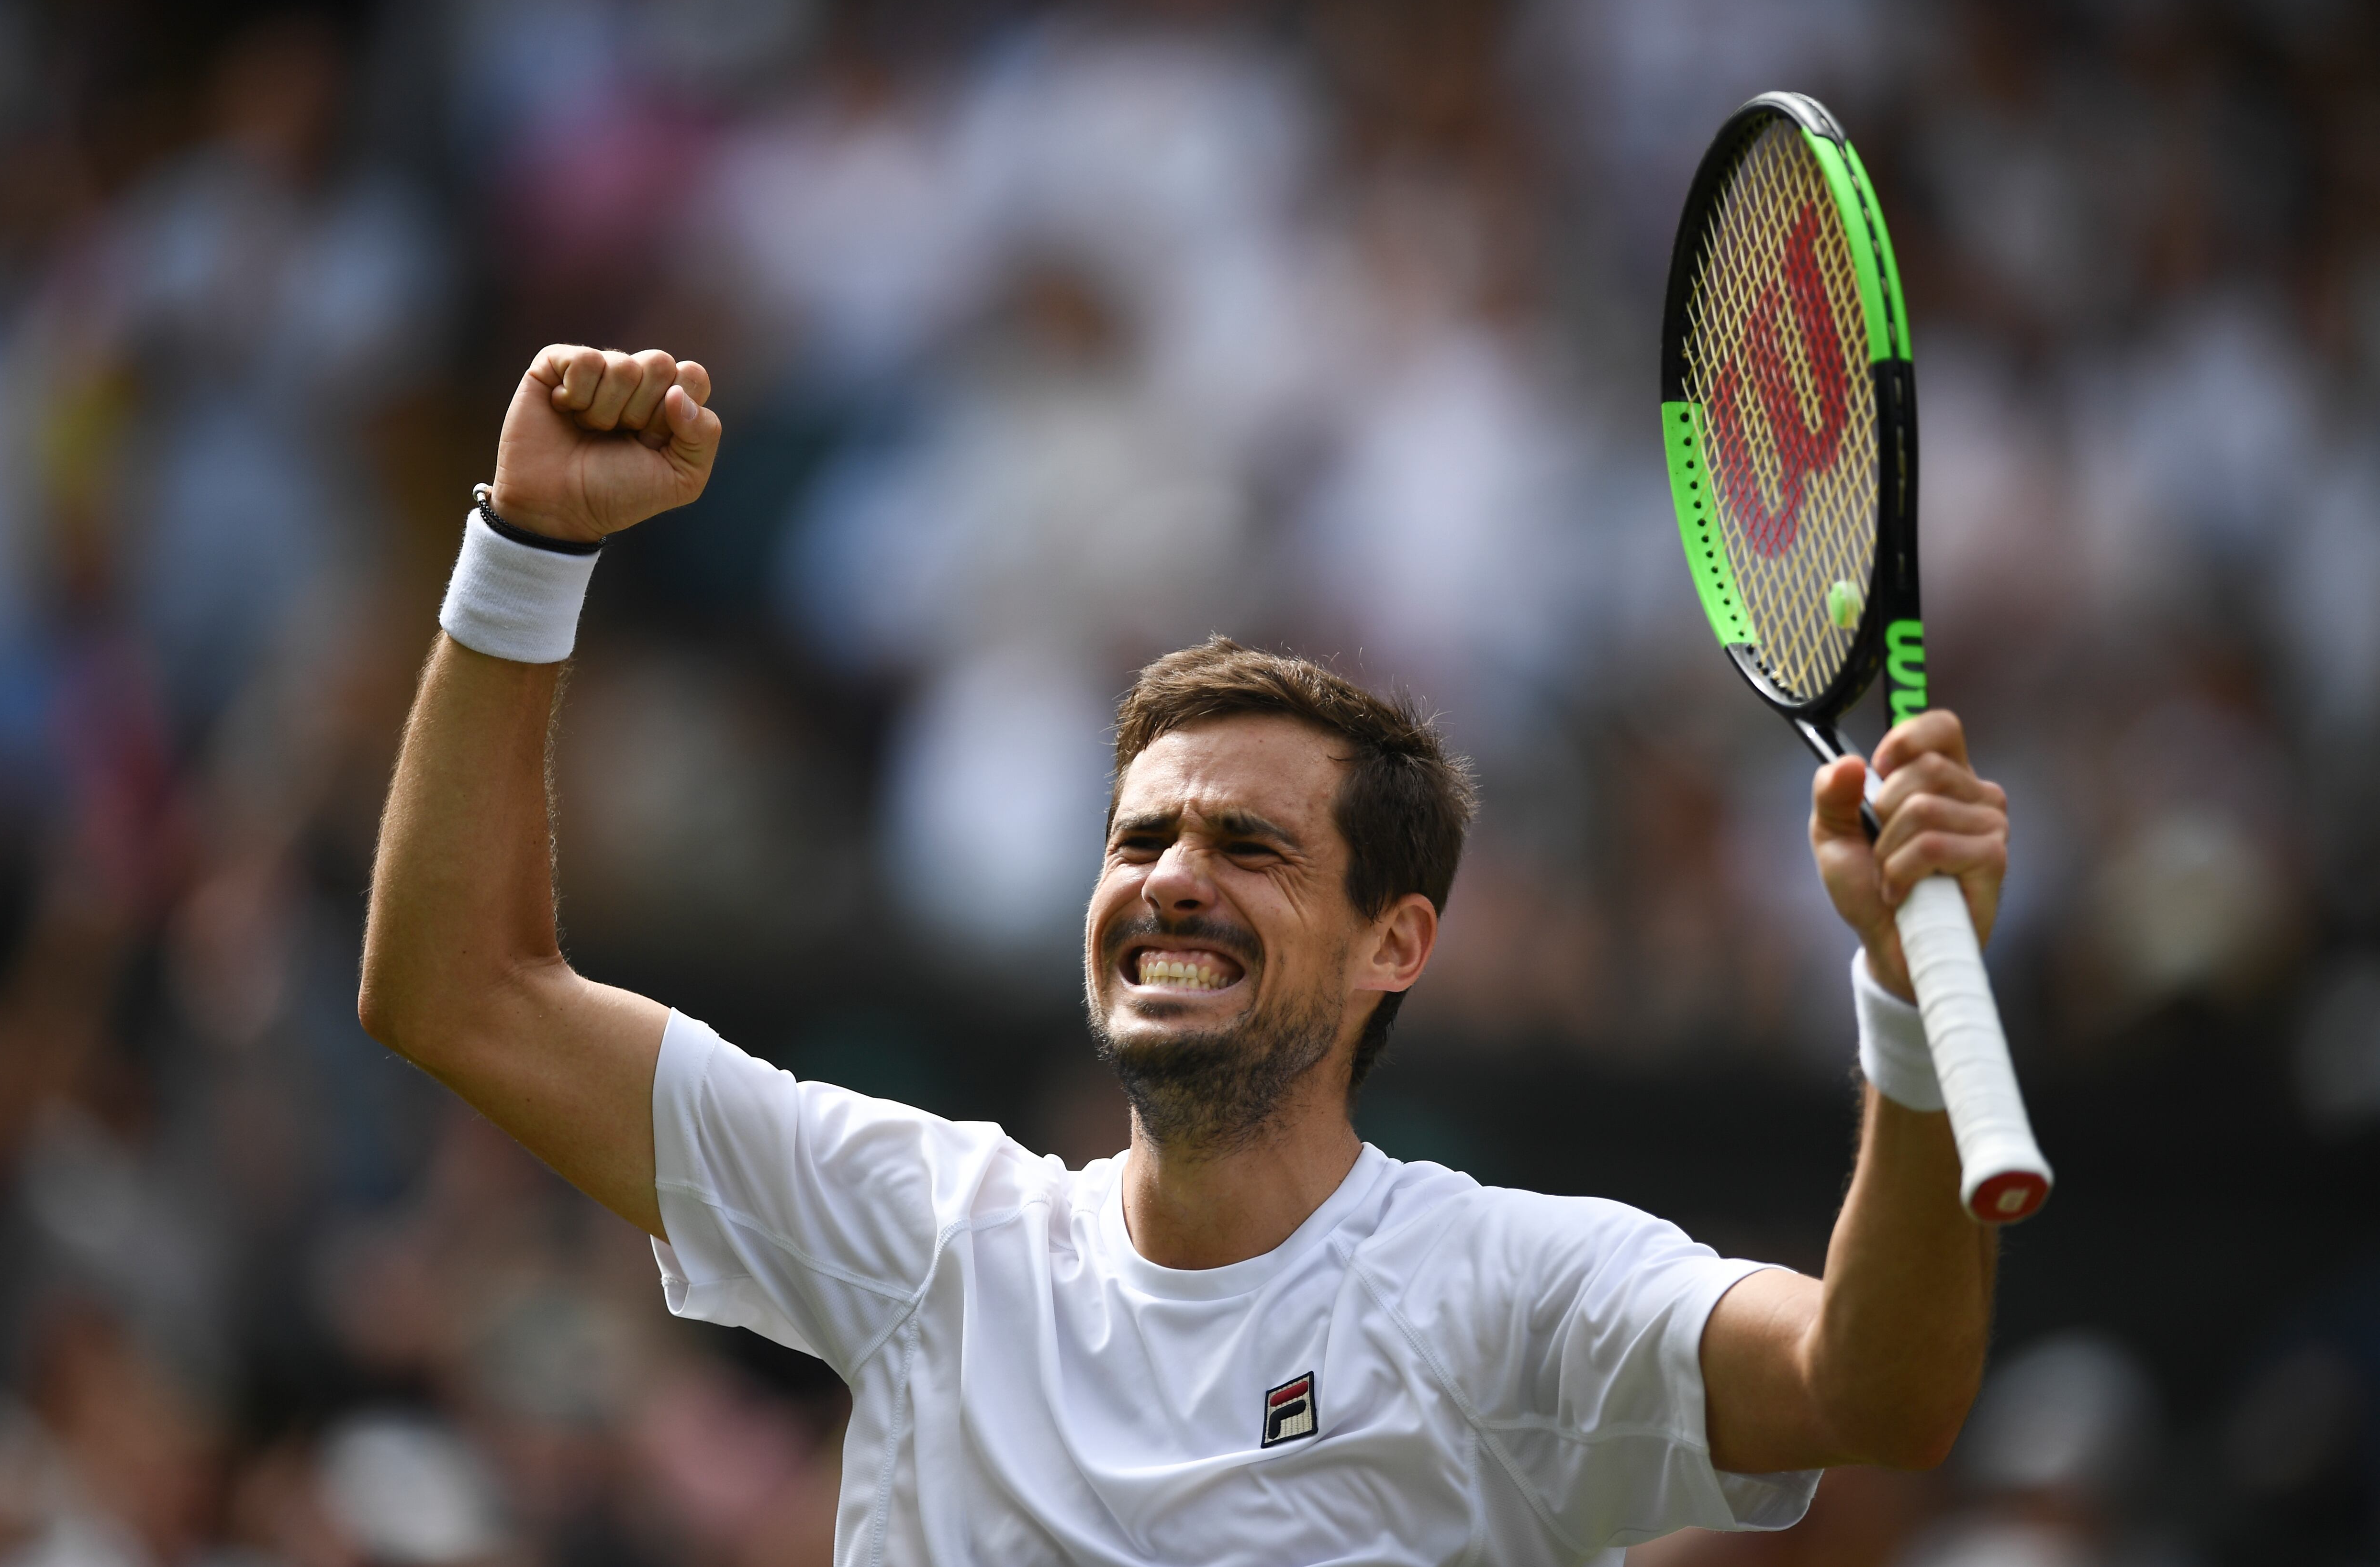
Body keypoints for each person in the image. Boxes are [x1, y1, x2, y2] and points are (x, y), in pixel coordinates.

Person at [361, 347, 2008, 1564]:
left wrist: (1906, 1007)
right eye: (1141, 839)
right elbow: (457, 994)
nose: (1172, 881)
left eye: (1253, 847)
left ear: (1397, 943)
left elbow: (1877, 1392)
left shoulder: (1508, 1296)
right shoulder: (931, 1239)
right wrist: (527, 552)